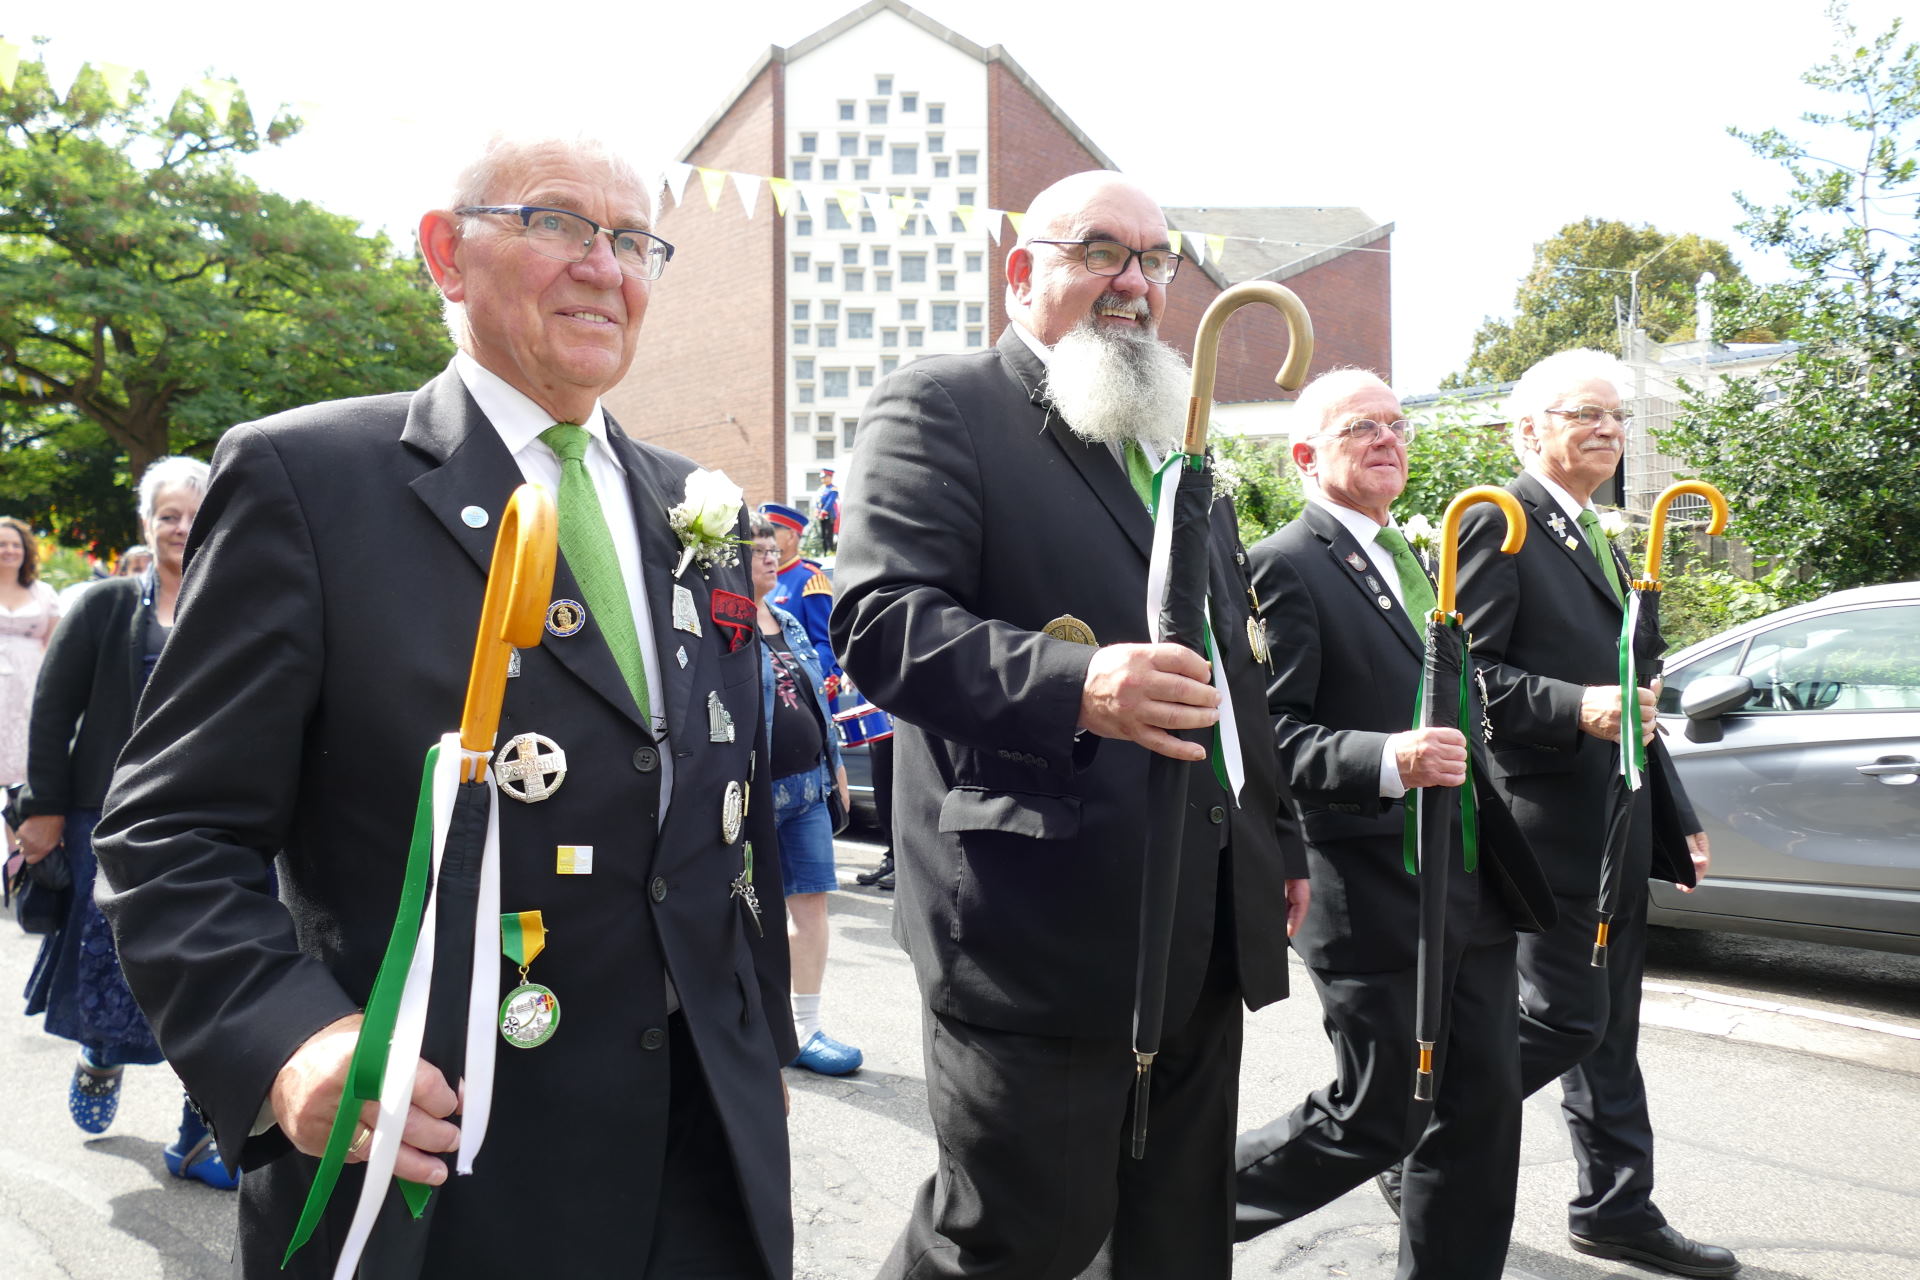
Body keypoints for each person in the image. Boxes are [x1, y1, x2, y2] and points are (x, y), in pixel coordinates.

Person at [92, 135, 795, 1278]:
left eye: (633, 241)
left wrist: (757, 1037)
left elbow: (731, 802)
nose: (604, 266)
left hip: (703, 1160)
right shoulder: (307, 480)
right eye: (557, 223)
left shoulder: (694, 504)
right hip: (443, 1155)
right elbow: (172, 829)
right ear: (443, 253)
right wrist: (287, 1039)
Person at [831, 169, 1308, 1280]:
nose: (1135, 282)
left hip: (1196, 916)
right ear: (1021, 272)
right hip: (1030, 922)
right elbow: (882, 623)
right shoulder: (945, 405)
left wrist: (1275, 838)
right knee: (1013, 1239)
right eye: (1101, 251)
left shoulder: (1178, 447)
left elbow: (1236, 670)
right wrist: (1080, 684)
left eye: (1155, 259)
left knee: (1178, 1237)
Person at [1231, 371, 1554, 1278]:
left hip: (1466, 885)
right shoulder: (1282, 563)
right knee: (1378, 1113)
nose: (1387, 440)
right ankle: (1160, 1214)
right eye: (1360, 428)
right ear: (1306, 456)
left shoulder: (1410, 557)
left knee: (1481, 1112)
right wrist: (1387, 758)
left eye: (1397, 425)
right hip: (1371, 890)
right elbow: (1268, 736)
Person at [1455, 348, 1734, 1278]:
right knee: (1566, 1019)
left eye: (1616, 415)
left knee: (1610, 1030)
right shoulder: (1499, 521)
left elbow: (1636, 697)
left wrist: (1674, 810)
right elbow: (1466, 677)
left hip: (1614, 819)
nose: (1609, 429)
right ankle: (1421, 1133)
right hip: (1547, 828)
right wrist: (1575, 706)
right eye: (1585, 413)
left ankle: (1617, 1208)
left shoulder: (1593, 534)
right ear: (1527, 429)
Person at [13, 460, 233, 1185]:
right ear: (147, 523)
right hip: (107, 821)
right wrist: (43, 810)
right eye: (168, 515)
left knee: (217, 970)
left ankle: (201, 1133)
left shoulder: (239, 596)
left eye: (195, 514)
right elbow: (53, 711)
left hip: (215, 821)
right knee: (114, 962)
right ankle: (102, 1054)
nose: (181, 528)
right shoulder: (105, 604)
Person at [748, 518, 860, 1075]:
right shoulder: (723, 627)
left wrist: (835, 766)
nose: (772, 558)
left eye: (774, 549)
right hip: (754, 796)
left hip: (809, 789)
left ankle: (804, 1029)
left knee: (811, 907)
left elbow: (816, 698)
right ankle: (749, 1030)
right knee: (749, 913)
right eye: (759, 551)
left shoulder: (787, 619)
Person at [0, 516, 60, 813]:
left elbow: (55, 644)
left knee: (24, 773)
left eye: (16, 544)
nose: (9, 550)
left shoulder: (43, 593)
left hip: (29, 686)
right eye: (2, 544)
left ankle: (18, 837)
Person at [812, 468, 839, 555]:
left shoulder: (833, 489)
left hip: (829, 515)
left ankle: (830, 550)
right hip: (821, 515)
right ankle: (825, 551)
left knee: (829, 534)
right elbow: (818, 501)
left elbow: (830, 502)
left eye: (825, 477)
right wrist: (817, 510)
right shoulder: (821, 489)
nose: (822, 479)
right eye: (822, 477)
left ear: (830, 477)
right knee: (822, 534)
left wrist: (823, 512)